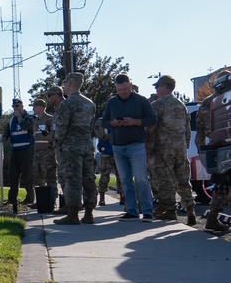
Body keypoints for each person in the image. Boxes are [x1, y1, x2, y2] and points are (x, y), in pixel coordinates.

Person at [102, 72, 157, 221]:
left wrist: (135, 121)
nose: (122, 92)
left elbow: (153, 119)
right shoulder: (112, 102)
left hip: (136, 145)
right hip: (118, 146)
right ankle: (132, 210)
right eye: (119, 90)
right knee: (125, 180)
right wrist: (113, 123)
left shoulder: (141, 101)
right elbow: (103, 121)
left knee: (141, 179)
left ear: (131, 86)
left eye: (125, 89)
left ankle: (147, 211)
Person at [147, 75, 196, 224]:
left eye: (157, 86)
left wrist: (148, 145)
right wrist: (185, 145)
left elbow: (151, 128)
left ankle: (170, 210)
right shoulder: (181, 105)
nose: (156, 89)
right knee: (183, 179)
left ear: (164, 87)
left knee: (166, 180)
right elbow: (187, 128)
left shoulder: (157, 105)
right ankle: (189, 210)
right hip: (180, 147)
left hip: (164, 148)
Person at [51, 72, 98, 225]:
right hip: (87, 144)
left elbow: (62, 127)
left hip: (71, 147)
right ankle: (89, 213)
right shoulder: (90, 103)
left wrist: (57, 143)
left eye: (65, 83)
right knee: (89, 178)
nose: (64, 86)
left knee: (72, 179)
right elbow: (91, 127)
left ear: (70, 84)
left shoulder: (67, 103)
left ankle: (73, 214)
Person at [196, 70, 230, 233]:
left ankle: (212, 218)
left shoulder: (208, 102)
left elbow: (200, 130)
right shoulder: (224, 100)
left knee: (222, 184)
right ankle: (212, 219)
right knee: (224, 183)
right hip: (225, 145)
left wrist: (202, 150)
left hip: (216, 146)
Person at [2, 97, 36, 213]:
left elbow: (26, 126)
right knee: (12, 175)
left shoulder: (29, 117)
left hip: (27, 149)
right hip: (15, 150)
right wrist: (4, 138)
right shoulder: (11, 120)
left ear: (22, 106)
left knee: (27, 174)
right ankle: (12, 199)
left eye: (17, 106)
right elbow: (7, 133)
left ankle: (30, 198)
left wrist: (19, 117)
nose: (15, 108)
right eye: (14, 106)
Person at [31, 97, 58, 207]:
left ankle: (53, 201)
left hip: (47, 152)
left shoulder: (49, 119)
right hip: (37, 153)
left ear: (41, 107)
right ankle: (41, 201)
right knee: (38, 177)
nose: (33, 109)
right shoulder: (35, 121)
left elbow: (54, 134)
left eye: (34, 106)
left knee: (50, 176)